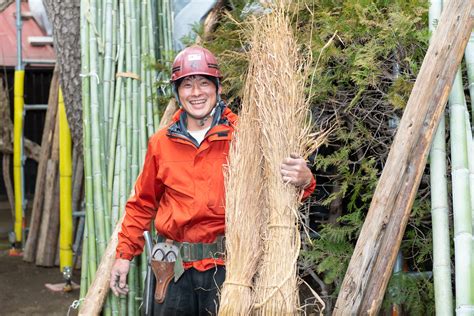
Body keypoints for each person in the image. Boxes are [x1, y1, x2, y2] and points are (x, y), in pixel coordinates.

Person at [109, 45, 316, 315]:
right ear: (178, 92)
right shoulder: (161, 143)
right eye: (187, 85)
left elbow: (279, 196)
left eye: (204, 83)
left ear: (218, 88)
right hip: (174, 270)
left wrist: (305, 179)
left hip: (230, 270)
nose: (196, 93)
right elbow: (142, 204)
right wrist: (124, 255)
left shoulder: (246, 137)